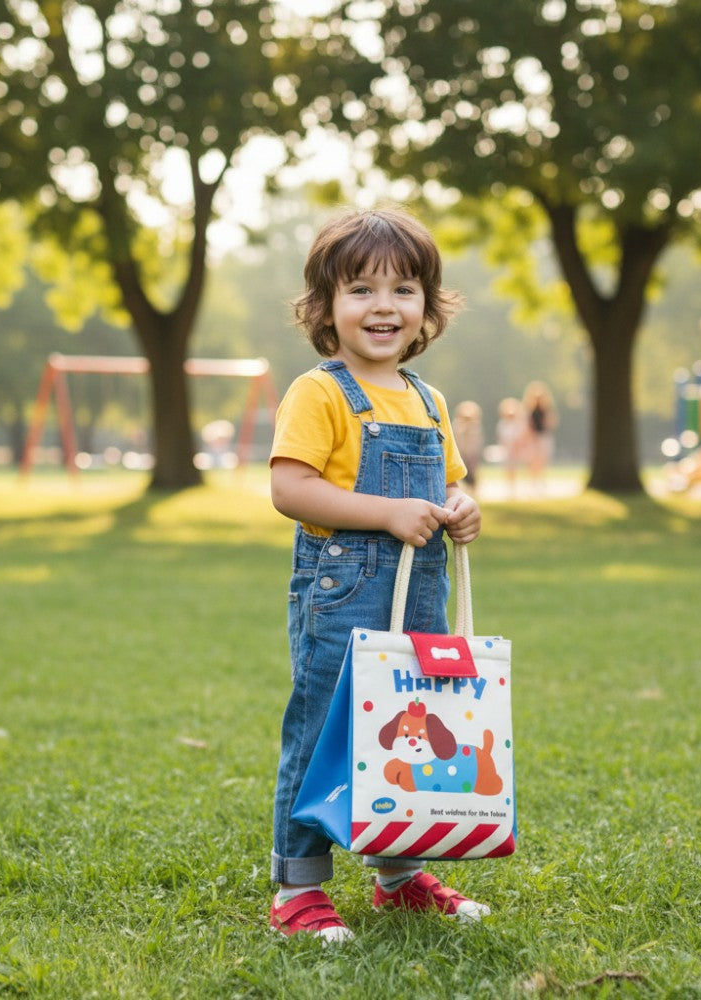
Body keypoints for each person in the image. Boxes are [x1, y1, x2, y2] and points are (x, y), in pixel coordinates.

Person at [268, 207, 485, 942]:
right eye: (360, 289)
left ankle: (397, 877)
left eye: (404, 289)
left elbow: (452, 481)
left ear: (427, 306)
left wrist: (462, 506)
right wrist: (388, 512)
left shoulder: (429, 400)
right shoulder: (320, 393)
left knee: (407, 734)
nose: (384, 306)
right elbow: (290, 490)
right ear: (326, 308)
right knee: (323, 733)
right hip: (343, 596)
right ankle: (298, 886)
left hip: (419, 596)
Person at [522, 381, 558, 493]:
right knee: (533, 461)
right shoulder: (529, 410)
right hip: (533, 438)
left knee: (542, 460)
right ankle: (533, 482)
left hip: (543, 437)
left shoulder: (546, 410)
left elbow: (551, 424)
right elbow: (527, 426)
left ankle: (541, 481)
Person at [495, 396, 527, 496]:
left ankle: (514, 487)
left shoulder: (517, 424)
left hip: (515, 449)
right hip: (506, 449)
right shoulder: (503, 424)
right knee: (507, 468)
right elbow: (501, 437)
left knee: (514, 468)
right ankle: (509, 487)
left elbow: (520, 437)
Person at [451, 400, 484, 493]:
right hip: (461, 453)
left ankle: (474, 490)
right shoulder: (457, 425)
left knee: (473, 474)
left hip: (472, 454)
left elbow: (476, 441)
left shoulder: (475, 426)